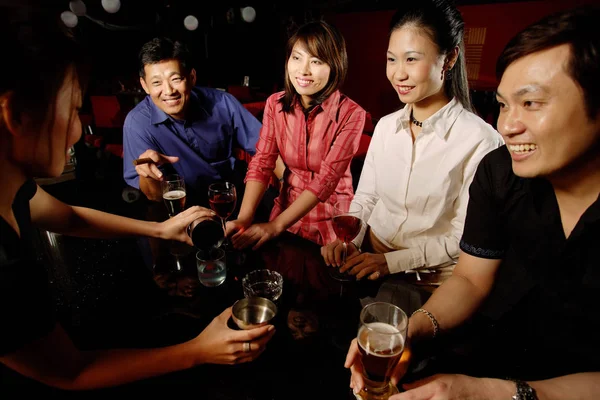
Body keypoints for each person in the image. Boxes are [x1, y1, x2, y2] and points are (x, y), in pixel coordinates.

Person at [0, 4, 274, 390]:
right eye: (73, 110)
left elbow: (69, 217)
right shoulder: (4, 262)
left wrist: (162, 231)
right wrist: (197, 349)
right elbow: (69, 371)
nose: (80, 132)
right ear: (17, 115)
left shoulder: (14, 190)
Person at [347, 5, 600, 399]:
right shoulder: (501, 172)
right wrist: (406, 330)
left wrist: (504, 393)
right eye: (502, 105)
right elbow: (471, 277)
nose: (507, 125)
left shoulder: (483, 144)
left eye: (531, 103)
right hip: (492, 350)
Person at [320, 0, 503, 293]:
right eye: (392, 59)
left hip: (430, 281)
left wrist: (390, 262)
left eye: (412, 59)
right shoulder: (385, 127)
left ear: (450, 58)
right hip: (368, 264)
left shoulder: (481, 141)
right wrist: (349, 242)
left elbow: (462, 237)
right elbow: (367, 198)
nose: (398, 74)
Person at [227, 20, 366, 250]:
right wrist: (244, 218)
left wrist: (275, 226)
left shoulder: (352, 114)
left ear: (335, 66)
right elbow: (262, 162)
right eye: (297, 57)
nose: (303, 70)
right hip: (284, 212)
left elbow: (327, 180)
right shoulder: (275, 104)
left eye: (316, 61)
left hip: (333, 222)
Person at [122, 37, 263, 207]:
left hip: (233, 197)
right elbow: (154, 195)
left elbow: (265, 148)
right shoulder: (137, 123)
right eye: (156, 83)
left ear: (192, 77)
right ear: (145, 86)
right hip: (181, 209)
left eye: (176, 79)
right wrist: (147, 172)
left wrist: (284, 182)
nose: (168, 91)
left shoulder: (223, 103)